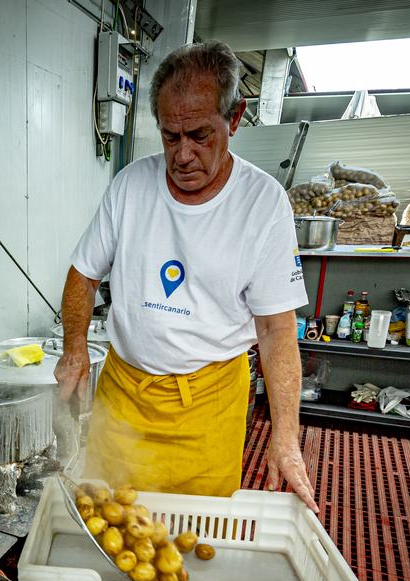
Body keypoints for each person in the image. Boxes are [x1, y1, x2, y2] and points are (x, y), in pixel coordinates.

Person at [54, 40, 318, 512]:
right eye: (170, 136)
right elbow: (83, 273)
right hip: (123, 396)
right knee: (110, 521)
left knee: (195, 536)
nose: (182, 155)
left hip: (208, 404)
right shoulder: (130, 186)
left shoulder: (263, 203)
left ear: (234, 118)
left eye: (199, 134)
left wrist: (286, 436)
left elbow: (277, 329)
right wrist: (75, 349)